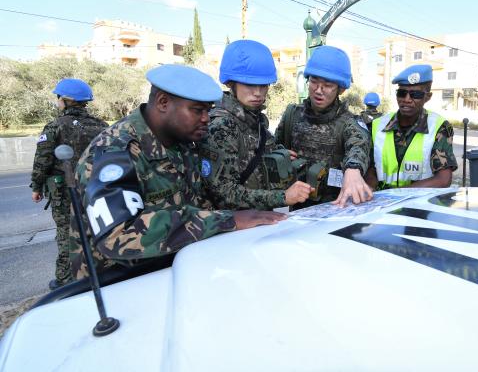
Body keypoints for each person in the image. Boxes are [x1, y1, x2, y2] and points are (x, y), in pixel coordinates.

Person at [70, 64, 284, 279]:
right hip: (119, 286)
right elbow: (118, 234)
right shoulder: (113, 152)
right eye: (198, 110)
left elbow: (197, 203)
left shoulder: (182, 143)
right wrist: (228, 221)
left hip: (175, 272)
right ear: (163, 102)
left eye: (208, 110)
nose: (206, 119)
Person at [201, 39, 312, 210]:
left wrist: (279, 154)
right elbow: (224, 195)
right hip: (234, 228)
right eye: (250, 84)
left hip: (258, 222)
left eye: (263, 85)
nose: (258, 93)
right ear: (231, 83)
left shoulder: (255, 120)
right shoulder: (221, 126)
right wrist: (283, 197)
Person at [30, 78, 108, 290]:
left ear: (65, 100)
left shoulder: (54, 126)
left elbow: (42, 161)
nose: (57, 102)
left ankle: (65, 281)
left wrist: (36, 187)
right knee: (96, 228)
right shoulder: (101, 126)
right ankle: (100, 271)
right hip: (95, 189)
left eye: (58, 98)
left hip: (65, 192)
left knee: (66, 233)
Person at [275, 45, 372, 207]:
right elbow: (273, 148)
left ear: (340, 89)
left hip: (334, 207)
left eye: (327, 85)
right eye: (314, 82)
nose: (318, 90)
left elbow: (359, 146)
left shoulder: (349, 122)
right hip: (296, 208)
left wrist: (353, 169)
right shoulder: (292, 114)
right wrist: (281, 154)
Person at [366, 64, 457, 189]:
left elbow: (443, 179)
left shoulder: (439, 127)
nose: (407, 99)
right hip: (381, 203)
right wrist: (370, 188)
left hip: (419, 204)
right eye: (402, 93)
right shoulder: (377, 125)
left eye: (416, 95)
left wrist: (399, 195)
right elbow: (370, 167)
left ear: (427, 97)